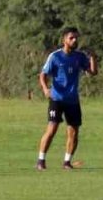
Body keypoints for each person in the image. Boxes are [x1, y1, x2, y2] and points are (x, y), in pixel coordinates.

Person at [36, 28, 98, 171]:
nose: (74, 40)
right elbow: (43, 74)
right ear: (64, 40)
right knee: (52, 129)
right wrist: (46, 89)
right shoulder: (55, 57)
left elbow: (93, 72)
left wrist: (93, 57)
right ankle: (41, 160)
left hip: (73, 100)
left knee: (74, 131)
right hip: (57, 99)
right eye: (71, 38)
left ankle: (67, 162)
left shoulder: (80, 56)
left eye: (76, 38)